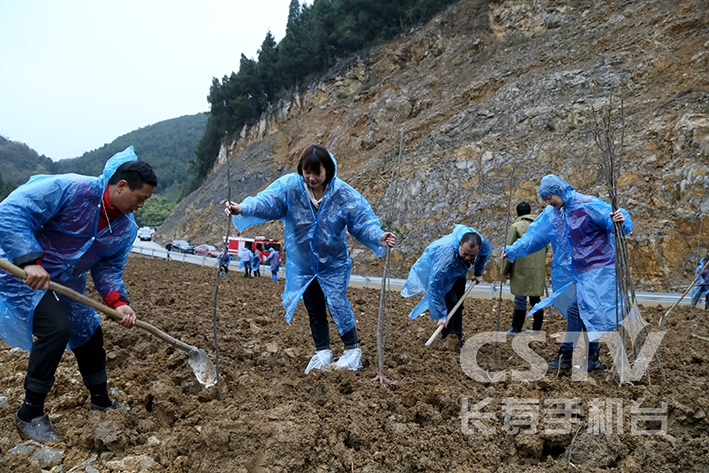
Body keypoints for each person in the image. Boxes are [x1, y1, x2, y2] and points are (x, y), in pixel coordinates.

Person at [0, 146, 157, 443]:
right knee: (57, 328)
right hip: (19, 271)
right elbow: (12, 211)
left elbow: (108, 268)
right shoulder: (70, 189)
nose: (141, 206)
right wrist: (29, 261)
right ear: (121, 186)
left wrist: (119, 303)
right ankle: (30, 412)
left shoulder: (124, 228)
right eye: (140, 198)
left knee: (88, 331)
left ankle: (101, 400)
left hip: (65, 282)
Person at [224, 144, 396, 374]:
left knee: (337, 302)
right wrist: (242, 208)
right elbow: (267, 202)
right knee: (314, 306)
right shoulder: (291, 188)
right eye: (308, 171)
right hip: (303, 263)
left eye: (318, 172)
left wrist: (379, 236)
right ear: (301, 170)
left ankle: (352, 350)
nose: (312, 177)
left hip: (332, 262)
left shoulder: (342, 193)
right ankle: (323, 351)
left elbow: (362, 220)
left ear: (328, 171)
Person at [502, 174, 633, 372]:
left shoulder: (587, 205)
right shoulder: (553, 213)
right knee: (585, 312)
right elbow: (534, 237)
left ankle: (568, 355)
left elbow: (613, 218)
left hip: (598, 269)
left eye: (550, 197)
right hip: (578, 272)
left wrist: (621, 219)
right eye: (546, 199)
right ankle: (589, 358)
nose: (549, 202)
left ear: (560, 191)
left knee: (577, 310)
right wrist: (512, 250)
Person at [401, 224, 492, 348]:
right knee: (450, 301)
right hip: (438, 269)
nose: (468, 258)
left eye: (472, 256)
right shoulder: (445, 259)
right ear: (459, 244)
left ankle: (456, 337)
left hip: (458, 269)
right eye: (465, 253)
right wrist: (441, 314)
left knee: (458, 303)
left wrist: (477, 273)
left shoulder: (483, 246)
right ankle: (446, 336)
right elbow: (435, 287)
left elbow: (483, 257)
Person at [502, 201, 548, 335]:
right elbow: (546, 247)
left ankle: (515, 329)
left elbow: (509, 251)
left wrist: (505, 270)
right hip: (537, 269)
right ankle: (537, 329)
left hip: (520, 269)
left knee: (520, 299)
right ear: (530, 212)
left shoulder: (516, 227)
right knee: (535, 299)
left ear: (517, 213)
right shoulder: (541, 227)